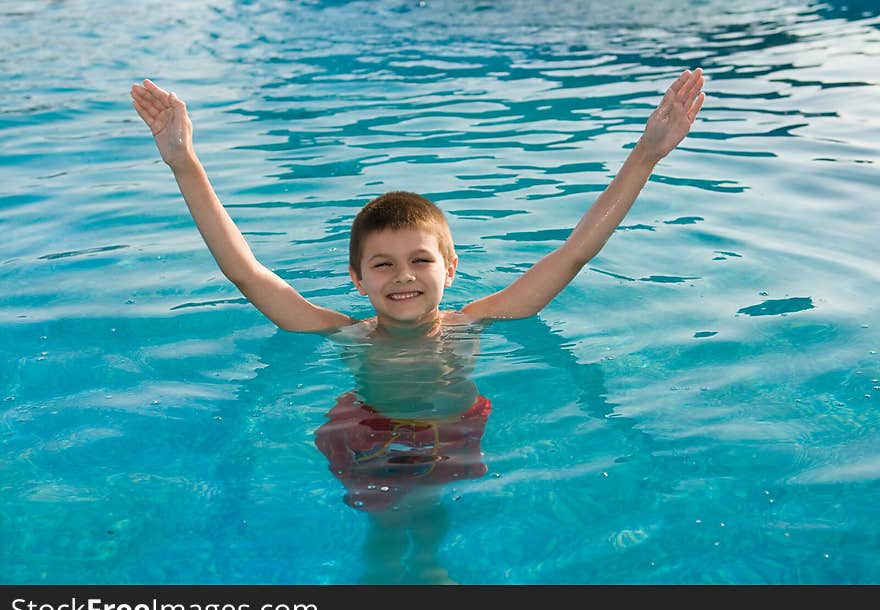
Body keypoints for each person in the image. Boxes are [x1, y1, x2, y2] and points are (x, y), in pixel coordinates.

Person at [130, 70, 705, 517]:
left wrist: (647, 153)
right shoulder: (344, 332)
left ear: (449, 268)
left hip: (451, 427)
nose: (403, 276)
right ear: (358, 279)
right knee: (382, 525)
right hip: (365, 427)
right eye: (383, 265)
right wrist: (185, 163)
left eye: (419, 261)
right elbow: (247, 273)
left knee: (428, 521)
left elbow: (574, 252)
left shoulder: (473, 323)